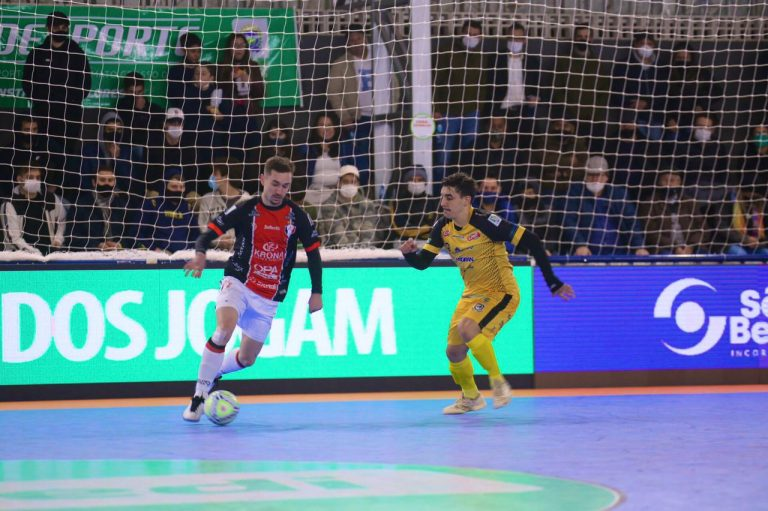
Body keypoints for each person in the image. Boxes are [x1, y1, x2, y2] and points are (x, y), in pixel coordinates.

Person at [400, 172, 574, 414]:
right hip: (472, 293)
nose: (443, 203)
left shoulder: (486, 222)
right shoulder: (442, 227)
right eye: (442, 197)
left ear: (466, 200)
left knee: (467, 328)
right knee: (454, 351)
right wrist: (409, 254)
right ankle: (471, 397)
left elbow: (532, 240)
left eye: (449, 198)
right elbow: (422, 263)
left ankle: (499, 383)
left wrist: (552, 281)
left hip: (501, 291)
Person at [181, 155, 323, 421]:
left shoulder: (297, 215)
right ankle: (198, 398)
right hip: (239, 282)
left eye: (285, 186)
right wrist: (200, 254)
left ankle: (215, 373)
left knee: (247, 359)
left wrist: (317, 291)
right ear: (263, 180)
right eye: (275, 184)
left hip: (269, 297)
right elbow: (208, 234)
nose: (280, 191)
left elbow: (314, 253)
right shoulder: (246, 209)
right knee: (224, 329)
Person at [327, 24, 400, 185]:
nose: (356, 43)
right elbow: (333, 91)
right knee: (360, 158)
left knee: (386, 155)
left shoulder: (380, 59)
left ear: (365, 39)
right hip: (358, 118)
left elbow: (394, 85)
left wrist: (392, 110)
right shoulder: (341, 63)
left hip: (382, 116)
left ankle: (386, 189)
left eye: (359, 38)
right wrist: (345, 116)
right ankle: (363, 190)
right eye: (352, 40)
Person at [22, 11, 91, 160]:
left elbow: (85, 85)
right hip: (42, 115)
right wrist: (42, 101)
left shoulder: (78, 55)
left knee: (65, 158)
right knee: (40, 156)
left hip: (69, 117)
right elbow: (27, 83)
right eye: (57, 26)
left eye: (64, 27)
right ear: (48, 28)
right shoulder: (37, 54)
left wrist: (68, 102)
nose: (61, 29)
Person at [432, 20, 489, 182]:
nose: (472, 37)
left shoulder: (482, 55)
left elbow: (483, 83)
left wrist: (479, 106)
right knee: (443, 154)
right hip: (448, 111)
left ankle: (466, 189)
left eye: (475, 34)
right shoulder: (446, 51)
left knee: (470, 154)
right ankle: (438, 190)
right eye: (468, 33)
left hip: (472, 111)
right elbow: (437, 80)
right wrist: (436, 108)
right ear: (461, 33)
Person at [562, 156, 650, 256]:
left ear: (606, 177)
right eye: (591, 175)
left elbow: (632, 222)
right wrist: (580, 244)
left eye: (599, 175)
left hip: (619, 253)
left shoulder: (619, 194)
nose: (595, 179)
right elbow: (569, 221)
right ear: (585, 176)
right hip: (588, 253)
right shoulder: (575, 193)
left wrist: (639, 246)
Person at [1, 162, 66, 255]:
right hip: (21, 258)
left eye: (38, 178)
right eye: (30, 177)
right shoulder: (10, 204)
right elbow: (13, 239)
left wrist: (58, 239)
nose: (35, 180)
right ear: (19, 179)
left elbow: (62, 220)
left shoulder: (50, 198)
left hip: (50, 254)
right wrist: (34, 253)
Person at [639, 170, 707, 255]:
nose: (669, 184)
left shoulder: (690, 202)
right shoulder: (649, 204)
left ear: (680, 183)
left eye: (672, 181)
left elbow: (702, 228)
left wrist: (691, 246)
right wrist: (674, 247)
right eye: (665, 180)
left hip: (692, 248)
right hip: (664, 248)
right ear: (658, 182)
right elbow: (651, 233)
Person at [134, 168, 199, 253]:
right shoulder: (152, 205)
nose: (178, 190)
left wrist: (189, 250)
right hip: (156, 256)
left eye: (182, 187)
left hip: (183, 256)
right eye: (174, 187)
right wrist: (153, 249)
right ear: (165, 186)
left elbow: (196, 236)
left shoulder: (188, 208)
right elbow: (136, 233)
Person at [68, 166, 133, 251]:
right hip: (89, 255)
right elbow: (72, 236)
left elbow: (132, 234)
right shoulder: (80, 205)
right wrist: (97, 245)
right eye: (102, 180)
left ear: (115, 182)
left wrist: (120, 244)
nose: (106, 184)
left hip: (119, 254)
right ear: (94, 182)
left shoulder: (123, 205)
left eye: (110, 180)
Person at [315, 164, 379, 248]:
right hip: (337, 251)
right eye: (346, 182)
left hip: (363, 251)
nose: (349, 185)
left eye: (353, 182)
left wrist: (363, 249)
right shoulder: (329, 205)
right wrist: (352, 251)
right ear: (339, 183)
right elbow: (337, 234)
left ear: (358, 184)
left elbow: (368, 231)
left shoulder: (368, 204)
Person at [197, 160, 251, 250]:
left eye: (215, 174)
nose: (212, 177)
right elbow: (202, 227)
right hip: (214, 254)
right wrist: (218, 240)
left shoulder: (248, 201)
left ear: (226, 177)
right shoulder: (207, 199)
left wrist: (234, 242)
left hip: (240, 254)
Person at [115, 72, 164, 154]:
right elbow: (126, 134)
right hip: (128, 148)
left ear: (144, 89)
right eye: (132, 92)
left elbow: (157, 134)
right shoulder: (120, 108)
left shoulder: (155, 109)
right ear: (126, 91)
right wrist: (138, 110)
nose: (136, 95)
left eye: (139, 92)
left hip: (150, 149)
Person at [167, 32, 203, 108]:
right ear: (184, 50)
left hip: (204, 112)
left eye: (199, 51)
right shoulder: (175, 71)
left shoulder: (205, 68)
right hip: (183, 112)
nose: (197, 55)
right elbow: (174, 97)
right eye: (193, 51)